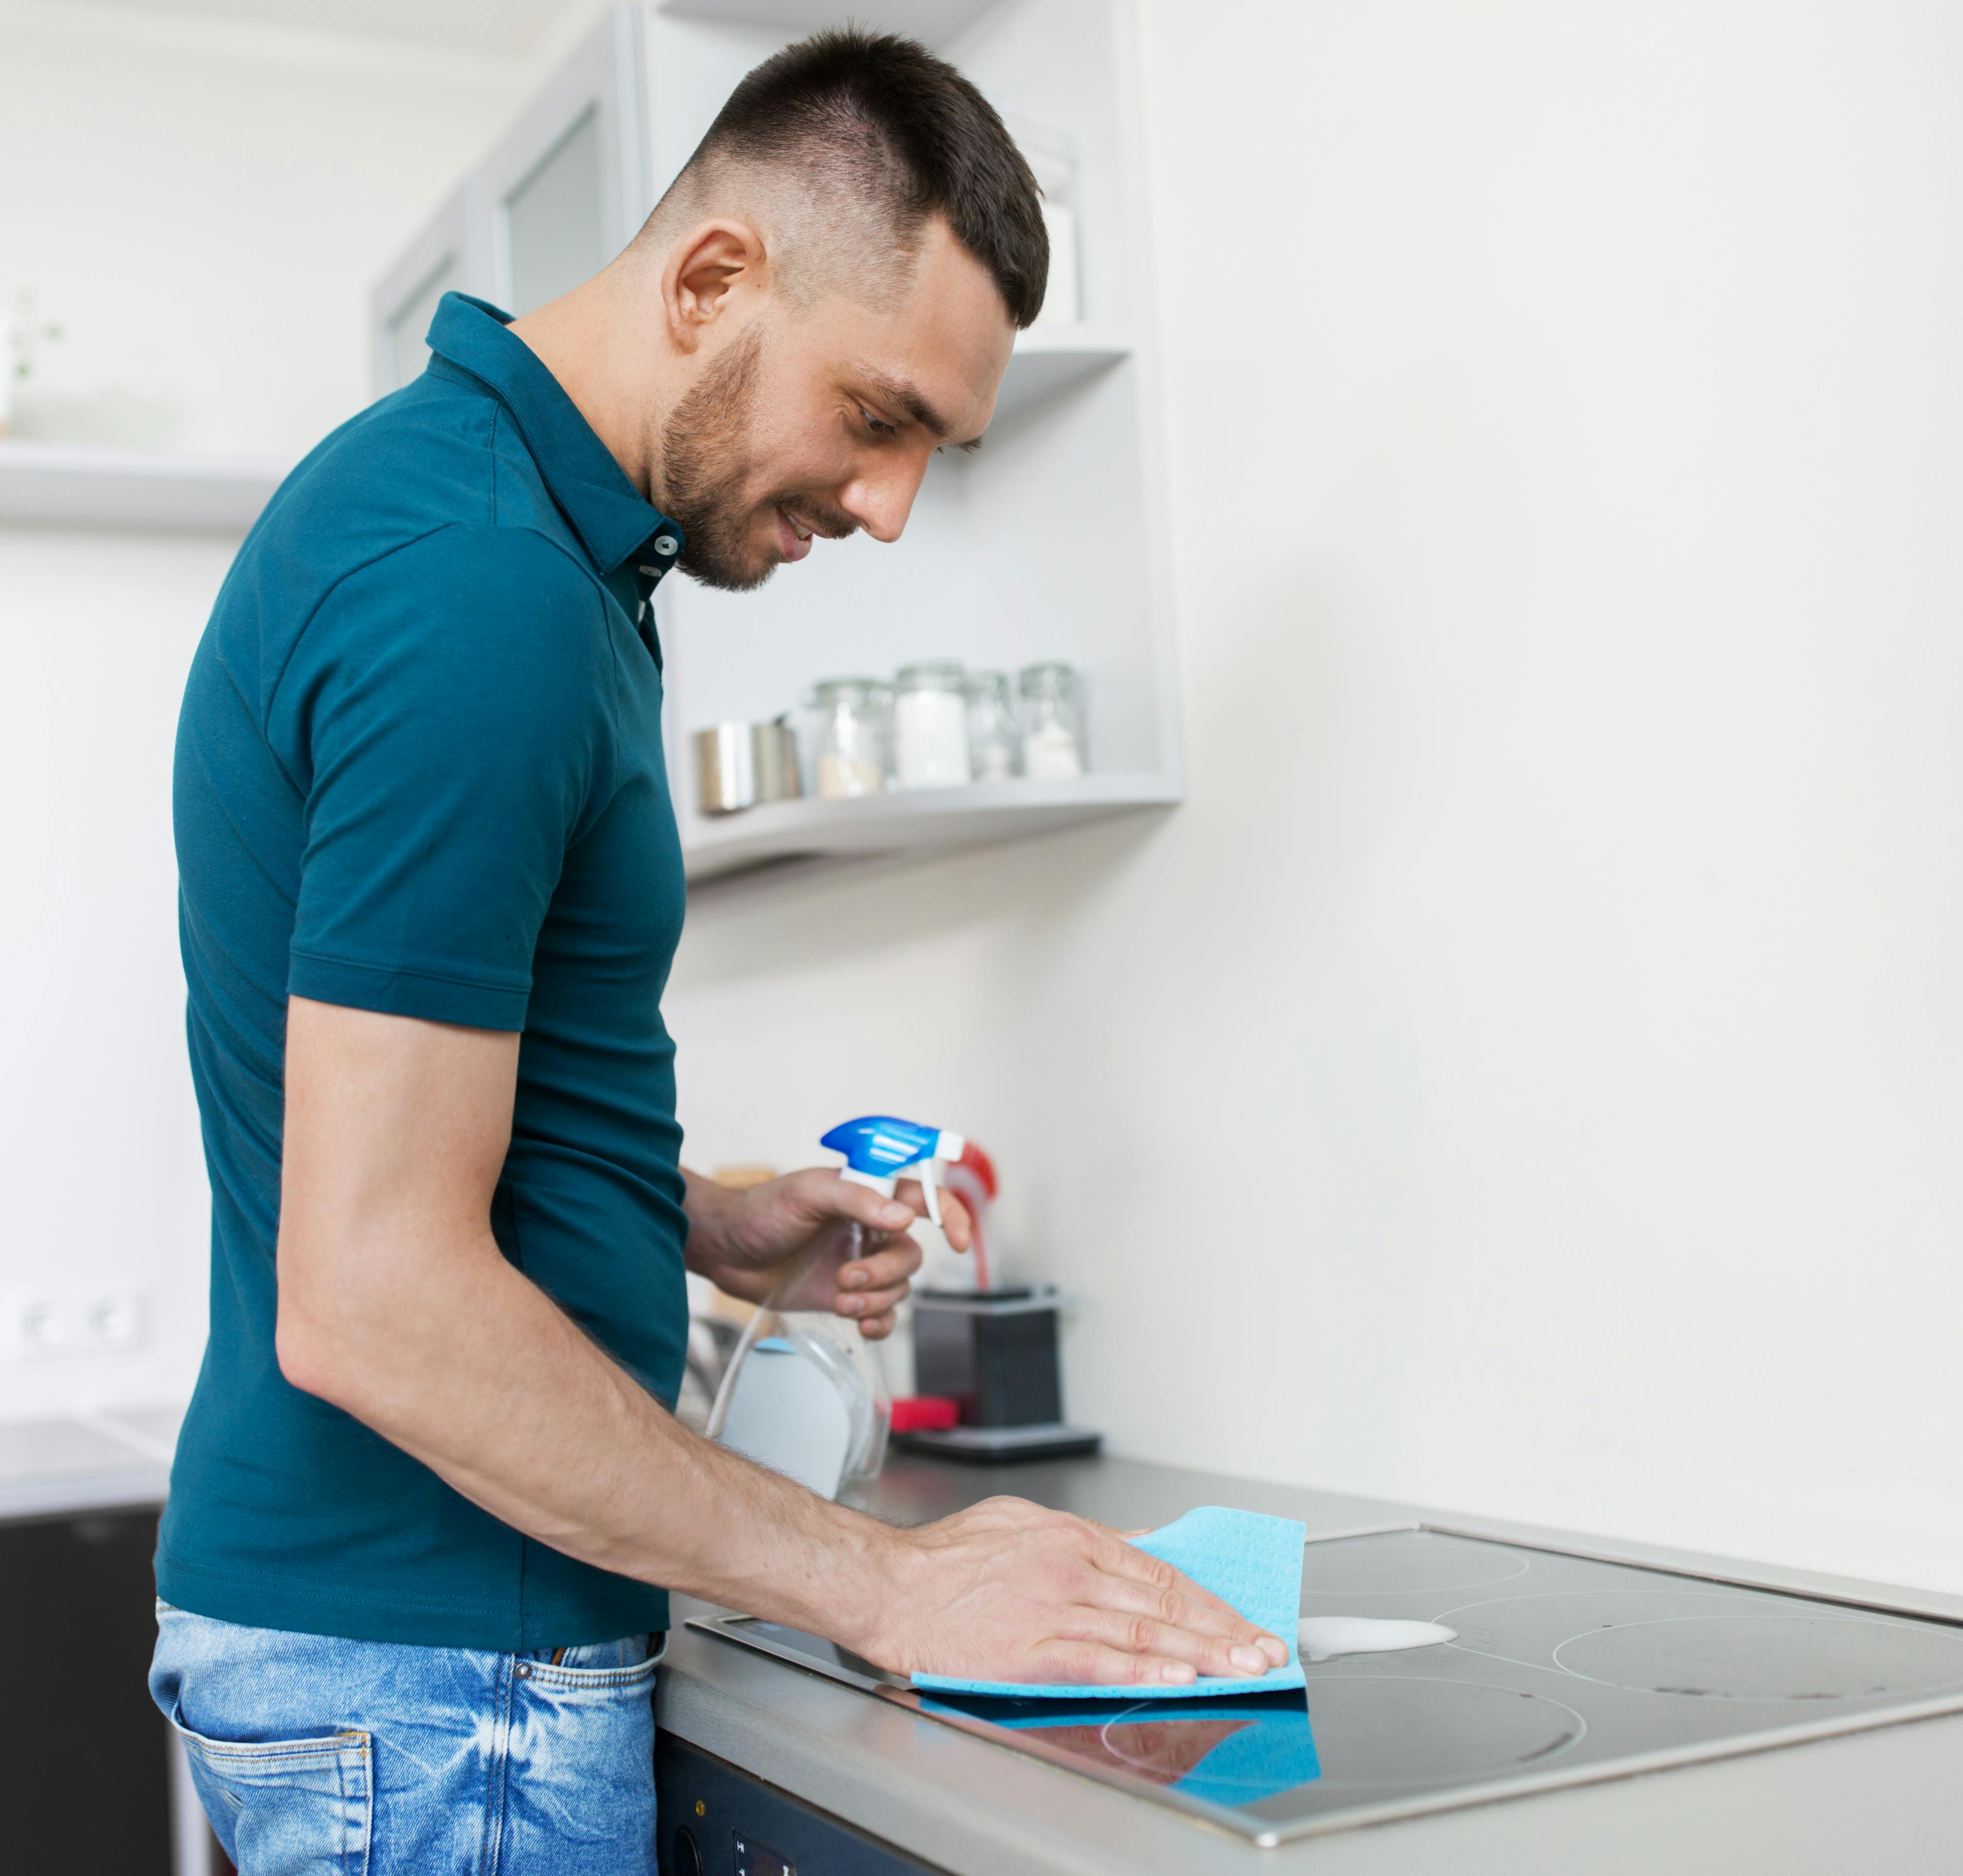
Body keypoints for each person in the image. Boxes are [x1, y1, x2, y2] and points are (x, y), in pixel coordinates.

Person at [148, 29, 1286, 1874]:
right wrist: (892, 1587)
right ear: (709, 280)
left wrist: (688, 1210)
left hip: (408, 1654)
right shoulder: (483, 592)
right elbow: (372, 1296)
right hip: (448, 1670)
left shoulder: (506, 540)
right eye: (880, 415)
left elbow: (395, 1102)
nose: (891, 503)